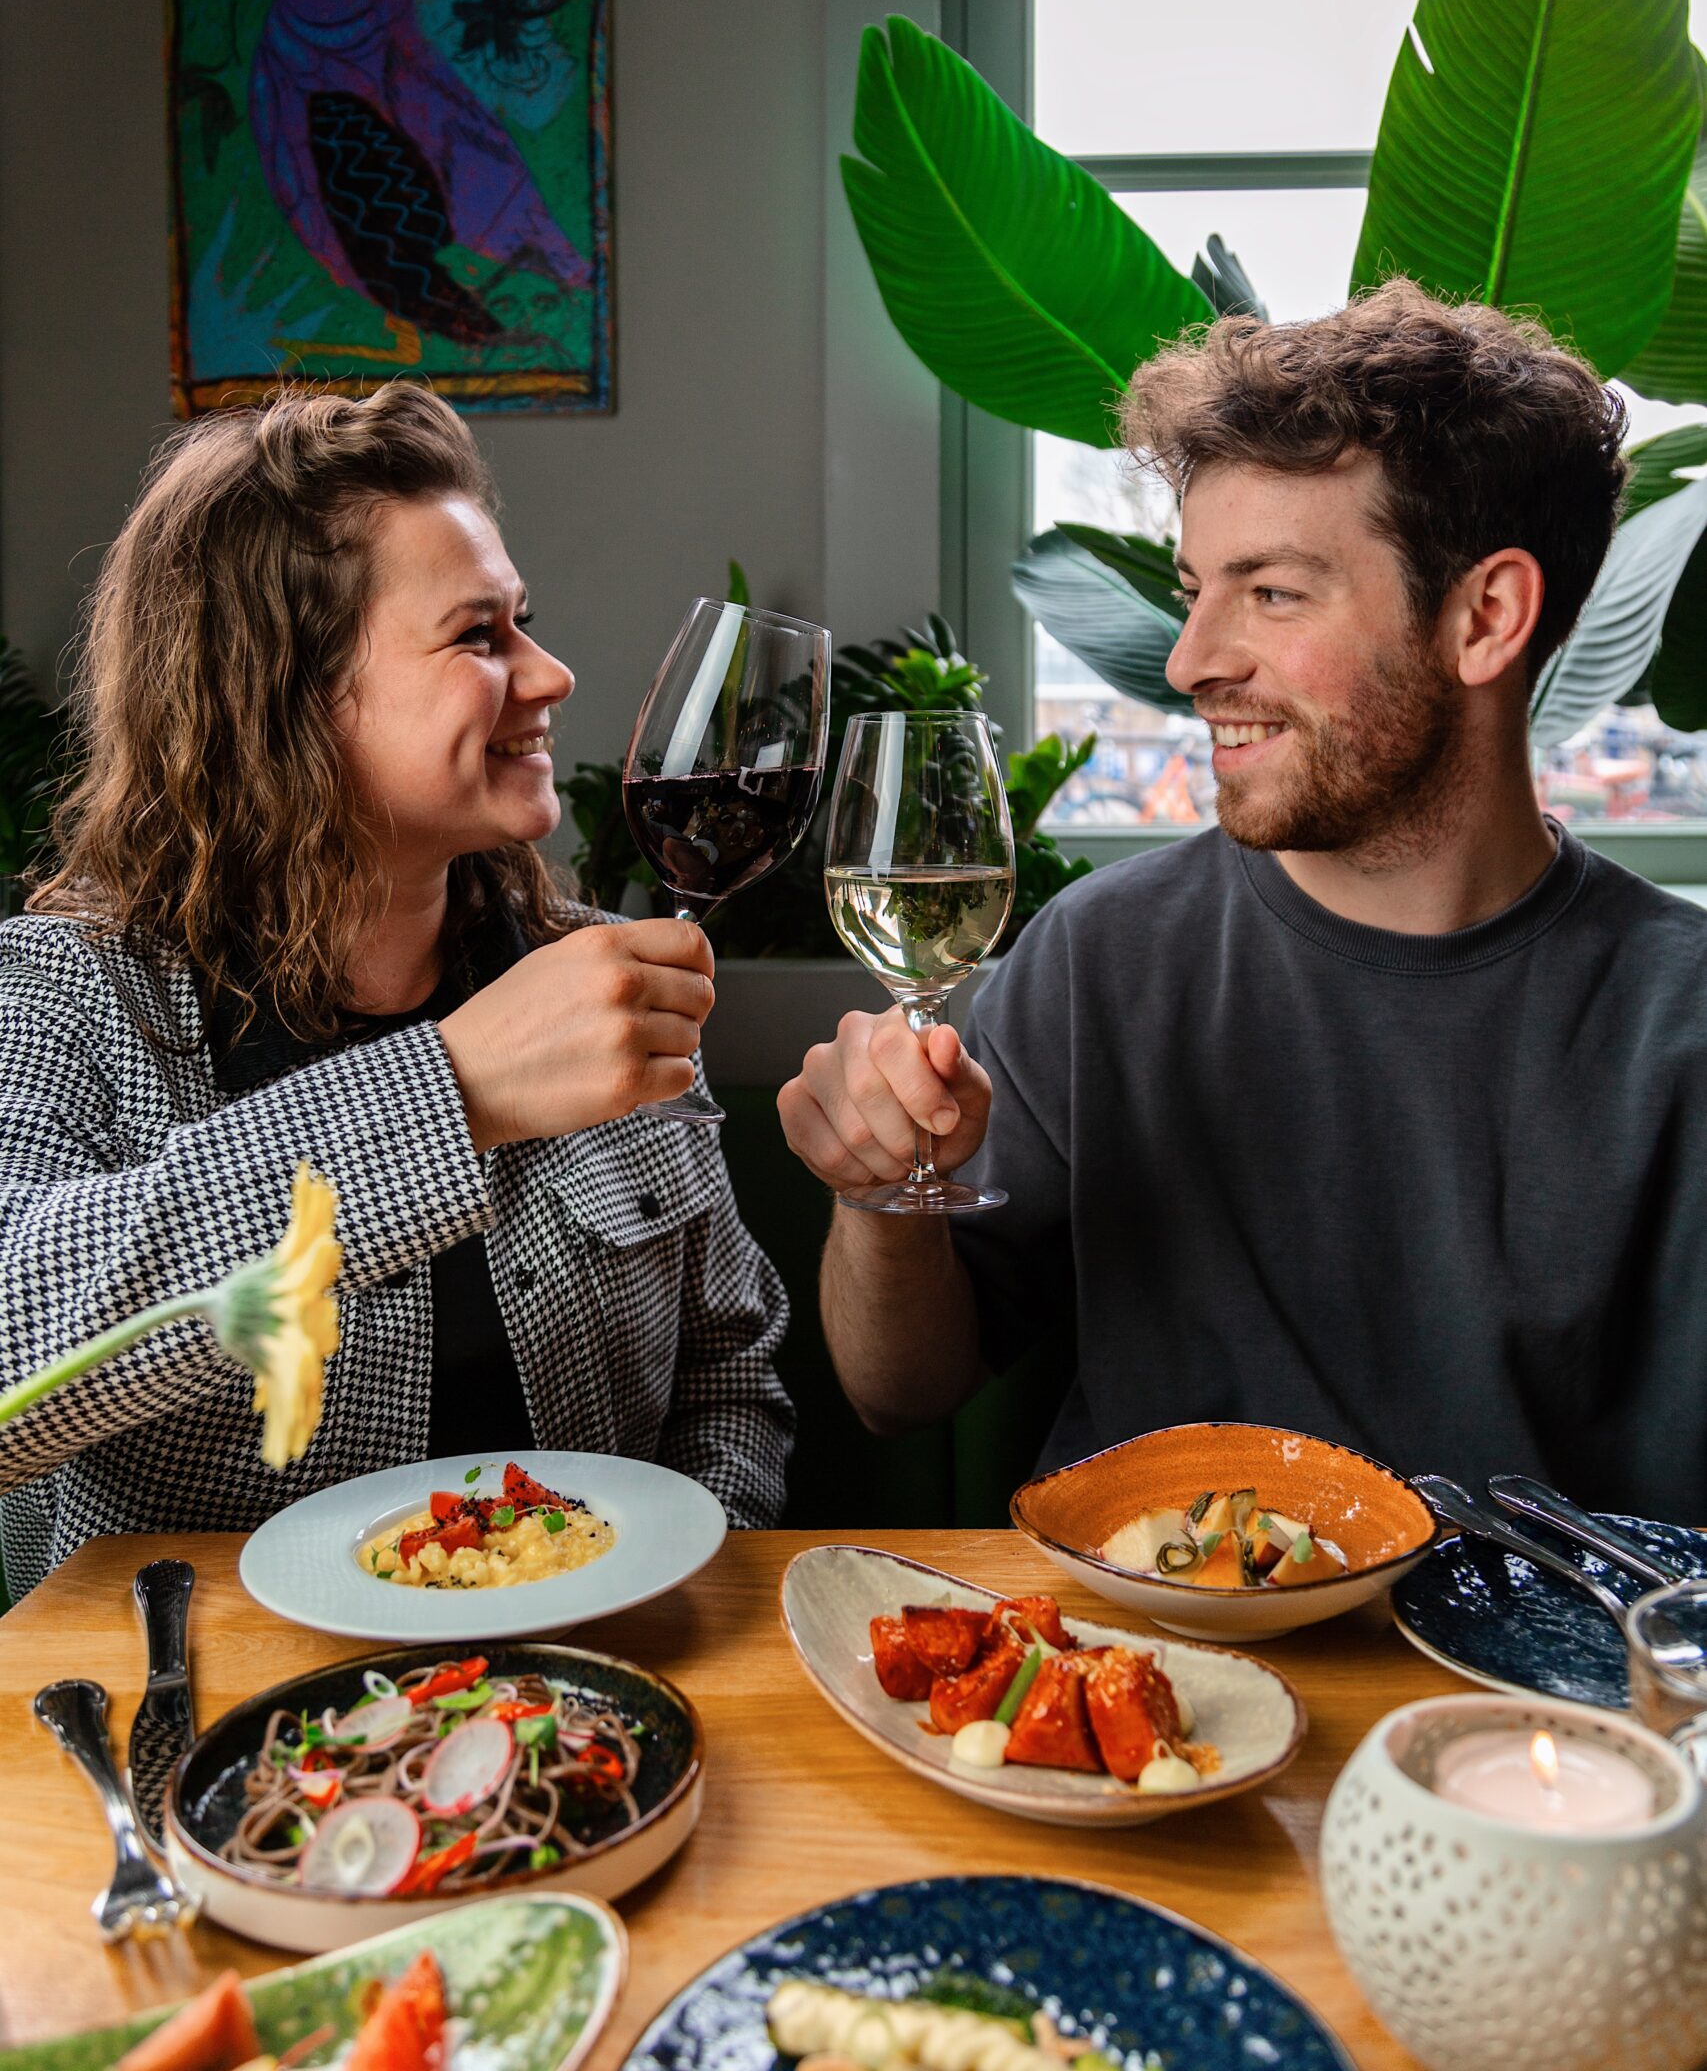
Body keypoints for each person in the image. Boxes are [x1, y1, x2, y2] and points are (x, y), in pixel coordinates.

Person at [781, 279, 1707, 1518]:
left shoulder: (1682, 1021)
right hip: (1136, 1630)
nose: (1190, 660)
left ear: (1486, 617)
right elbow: (900, 1390)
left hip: (1548, 1646)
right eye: (1194, 589)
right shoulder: (1101, 957)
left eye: (1272, 592)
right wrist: (878, 1200)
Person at [0, 382, 791, 1596]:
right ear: (282, 698)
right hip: (211, 1693)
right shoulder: (68, 991)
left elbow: (730, 1374)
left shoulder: (597, 976)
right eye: (478, 636)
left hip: (588, 1684)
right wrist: (450, 1092)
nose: (550, 674)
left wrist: (676, 1592)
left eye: (525, 622)